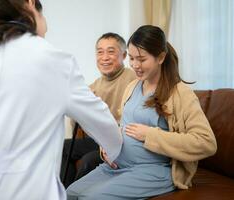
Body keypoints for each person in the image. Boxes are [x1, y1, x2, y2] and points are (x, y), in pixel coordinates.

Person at [0, 0, 123, 199]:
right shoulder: (53, 61)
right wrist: (114, 150)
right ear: (31, 3)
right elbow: (108, 131)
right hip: (23, 191)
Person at [66, 25, 217, 200]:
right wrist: (106, 148)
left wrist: (150, 135)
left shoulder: (180, 93)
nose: (135, 65)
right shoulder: (132, 87)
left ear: (160, 57)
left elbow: (206, 142)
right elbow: (122, 127)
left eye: (142, 59)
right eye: (131, 58)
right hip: (116, 167)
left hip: (153, 170)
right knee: (69, 194)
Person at [61, 33, 136, 187]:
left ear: (124, 55)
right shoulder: (94, 86)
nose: (105, 57)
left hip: (123, 142)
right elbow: (77, 123)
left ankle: (75, 195)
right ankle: (63, 193)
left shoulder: (134, 79)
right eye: (100, 52)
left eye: (110, 51)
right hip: (101, 140)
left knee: (89, 160)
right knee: (64, 147)